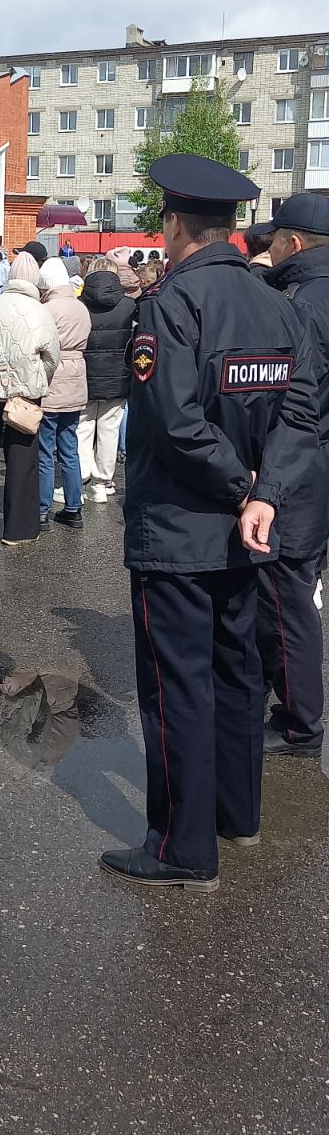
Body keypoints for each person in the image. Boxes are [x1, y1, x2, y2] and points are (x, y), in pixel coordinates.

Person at [101, 154, 319, 895]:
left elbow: (174, 421)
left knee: (177, 688)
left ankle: (182, 845)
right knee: (239, 673)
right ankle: (237, 814)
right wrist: (263, 495)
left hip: (181, 530)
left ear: (173, 226)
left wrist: (239, 489)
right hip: (251, 528)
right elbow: (301, 412)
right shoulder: (277, 301)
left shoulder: (171, 303)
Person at [258, 193, 329, 756]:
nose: (271, 246)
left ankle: (301, 722)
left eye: (276, 238)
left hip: (302, 465)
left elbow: (289, 398)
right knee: (295, 586)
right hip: (320, 464)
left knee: (286, 596)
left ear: (295, 244)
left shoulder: (302, 302)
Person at [0, 253, 60, 546]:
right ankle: (19, 530)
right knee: (22, 459)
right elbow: (51, 357)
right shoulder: (40, 311)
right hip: (25, 395)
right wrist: (37, 380)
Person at [36, 259, 90, 529]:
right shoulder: (81, 308)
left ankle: (42, 510)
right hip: (77, 377)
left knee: (45, 450)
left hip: (53, 377)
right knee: (70, 447)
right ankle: (73, 507)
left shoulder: (46, 309)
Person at [76, 257, 134, 502]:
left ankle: (80, 478)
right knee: (110, 430)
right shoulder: (129, 305)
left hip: (85, 376)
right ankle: (102, 482)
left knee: (83, 427)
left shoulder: (79, 304)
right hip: (118, 376)